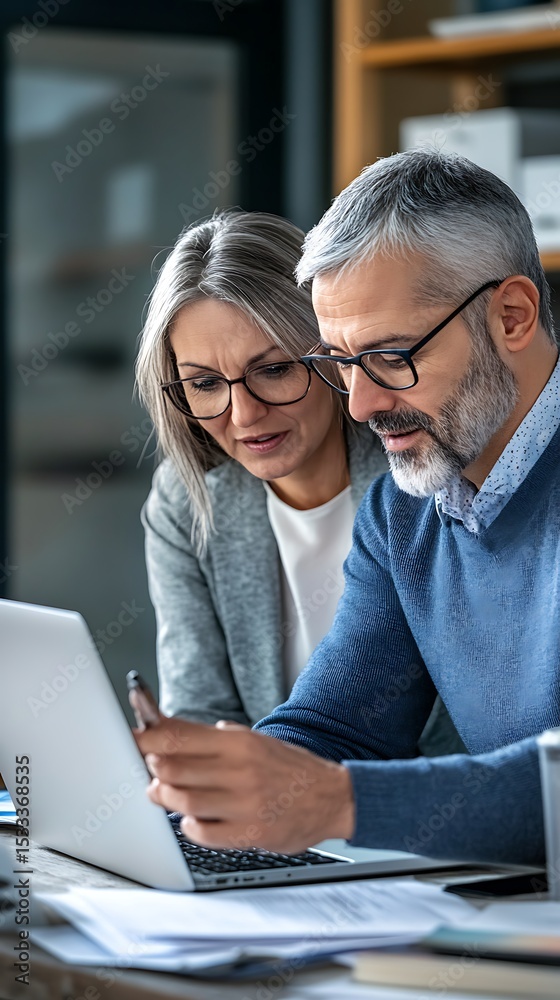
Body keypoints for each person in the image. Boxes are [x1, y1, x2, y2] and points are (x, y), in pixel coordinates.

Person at [136, 150, 557, 866]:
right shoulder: (407, 509)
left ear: (512, 316)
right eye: (341, 364)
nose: (360, 406)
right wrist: (192, 805)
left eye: (392, 357)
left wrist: (337, 802)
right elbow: (338, 725)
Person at [136, 211, 395, 725]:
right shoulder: (186, 503)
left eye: (274, 369)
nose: (245, 414)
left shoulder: (419, 468)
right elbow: (198, 714)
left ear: (332, 354)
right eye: (206, 383)